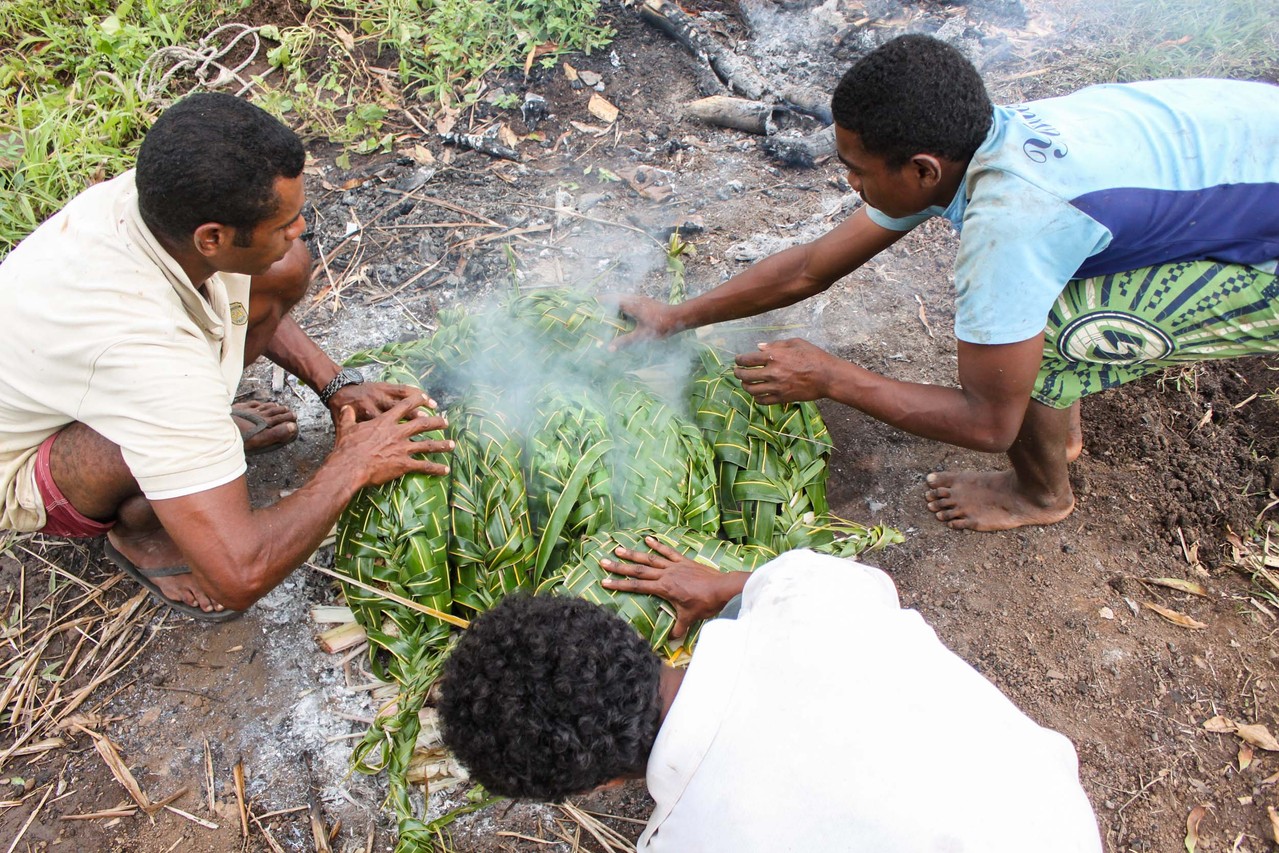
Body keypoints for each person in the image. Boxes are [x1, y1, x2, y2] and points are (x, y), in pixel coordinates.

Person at [614, 34, 1279, 532]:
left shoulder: (1011, 221)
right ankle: (1061, 426)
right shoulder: (974, 136)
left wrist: (832, 378)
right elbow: (810, 265)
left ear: (923, 170)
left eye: (856, 169)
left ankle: (1041, 494)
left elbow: (989, 422)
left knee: (1048, 335)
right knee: (1031, 306)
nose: (849, 183)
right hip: (1246, 161)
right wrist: (678, 315)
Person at [0, 93, 452, 620]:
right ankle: (140, 535)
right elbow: (240, 575)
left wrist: (335, 384)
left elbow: (266, 275)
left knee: (284, 268)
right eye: (283, 222)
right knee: (176, 424)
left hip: (102, 379)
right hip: (29, 460)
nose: (298, 227)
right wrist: (352, 465)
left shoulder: (161, 201)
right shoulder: (147, 358)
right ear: (212, 238)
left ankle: (194, 452)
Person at [439, 538, 1103, 851]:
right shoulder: (805, 598)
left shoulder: (688, 843)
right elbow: (809, 576)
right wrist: (721, 583)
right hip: (1052, 818)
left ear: (598, 788)